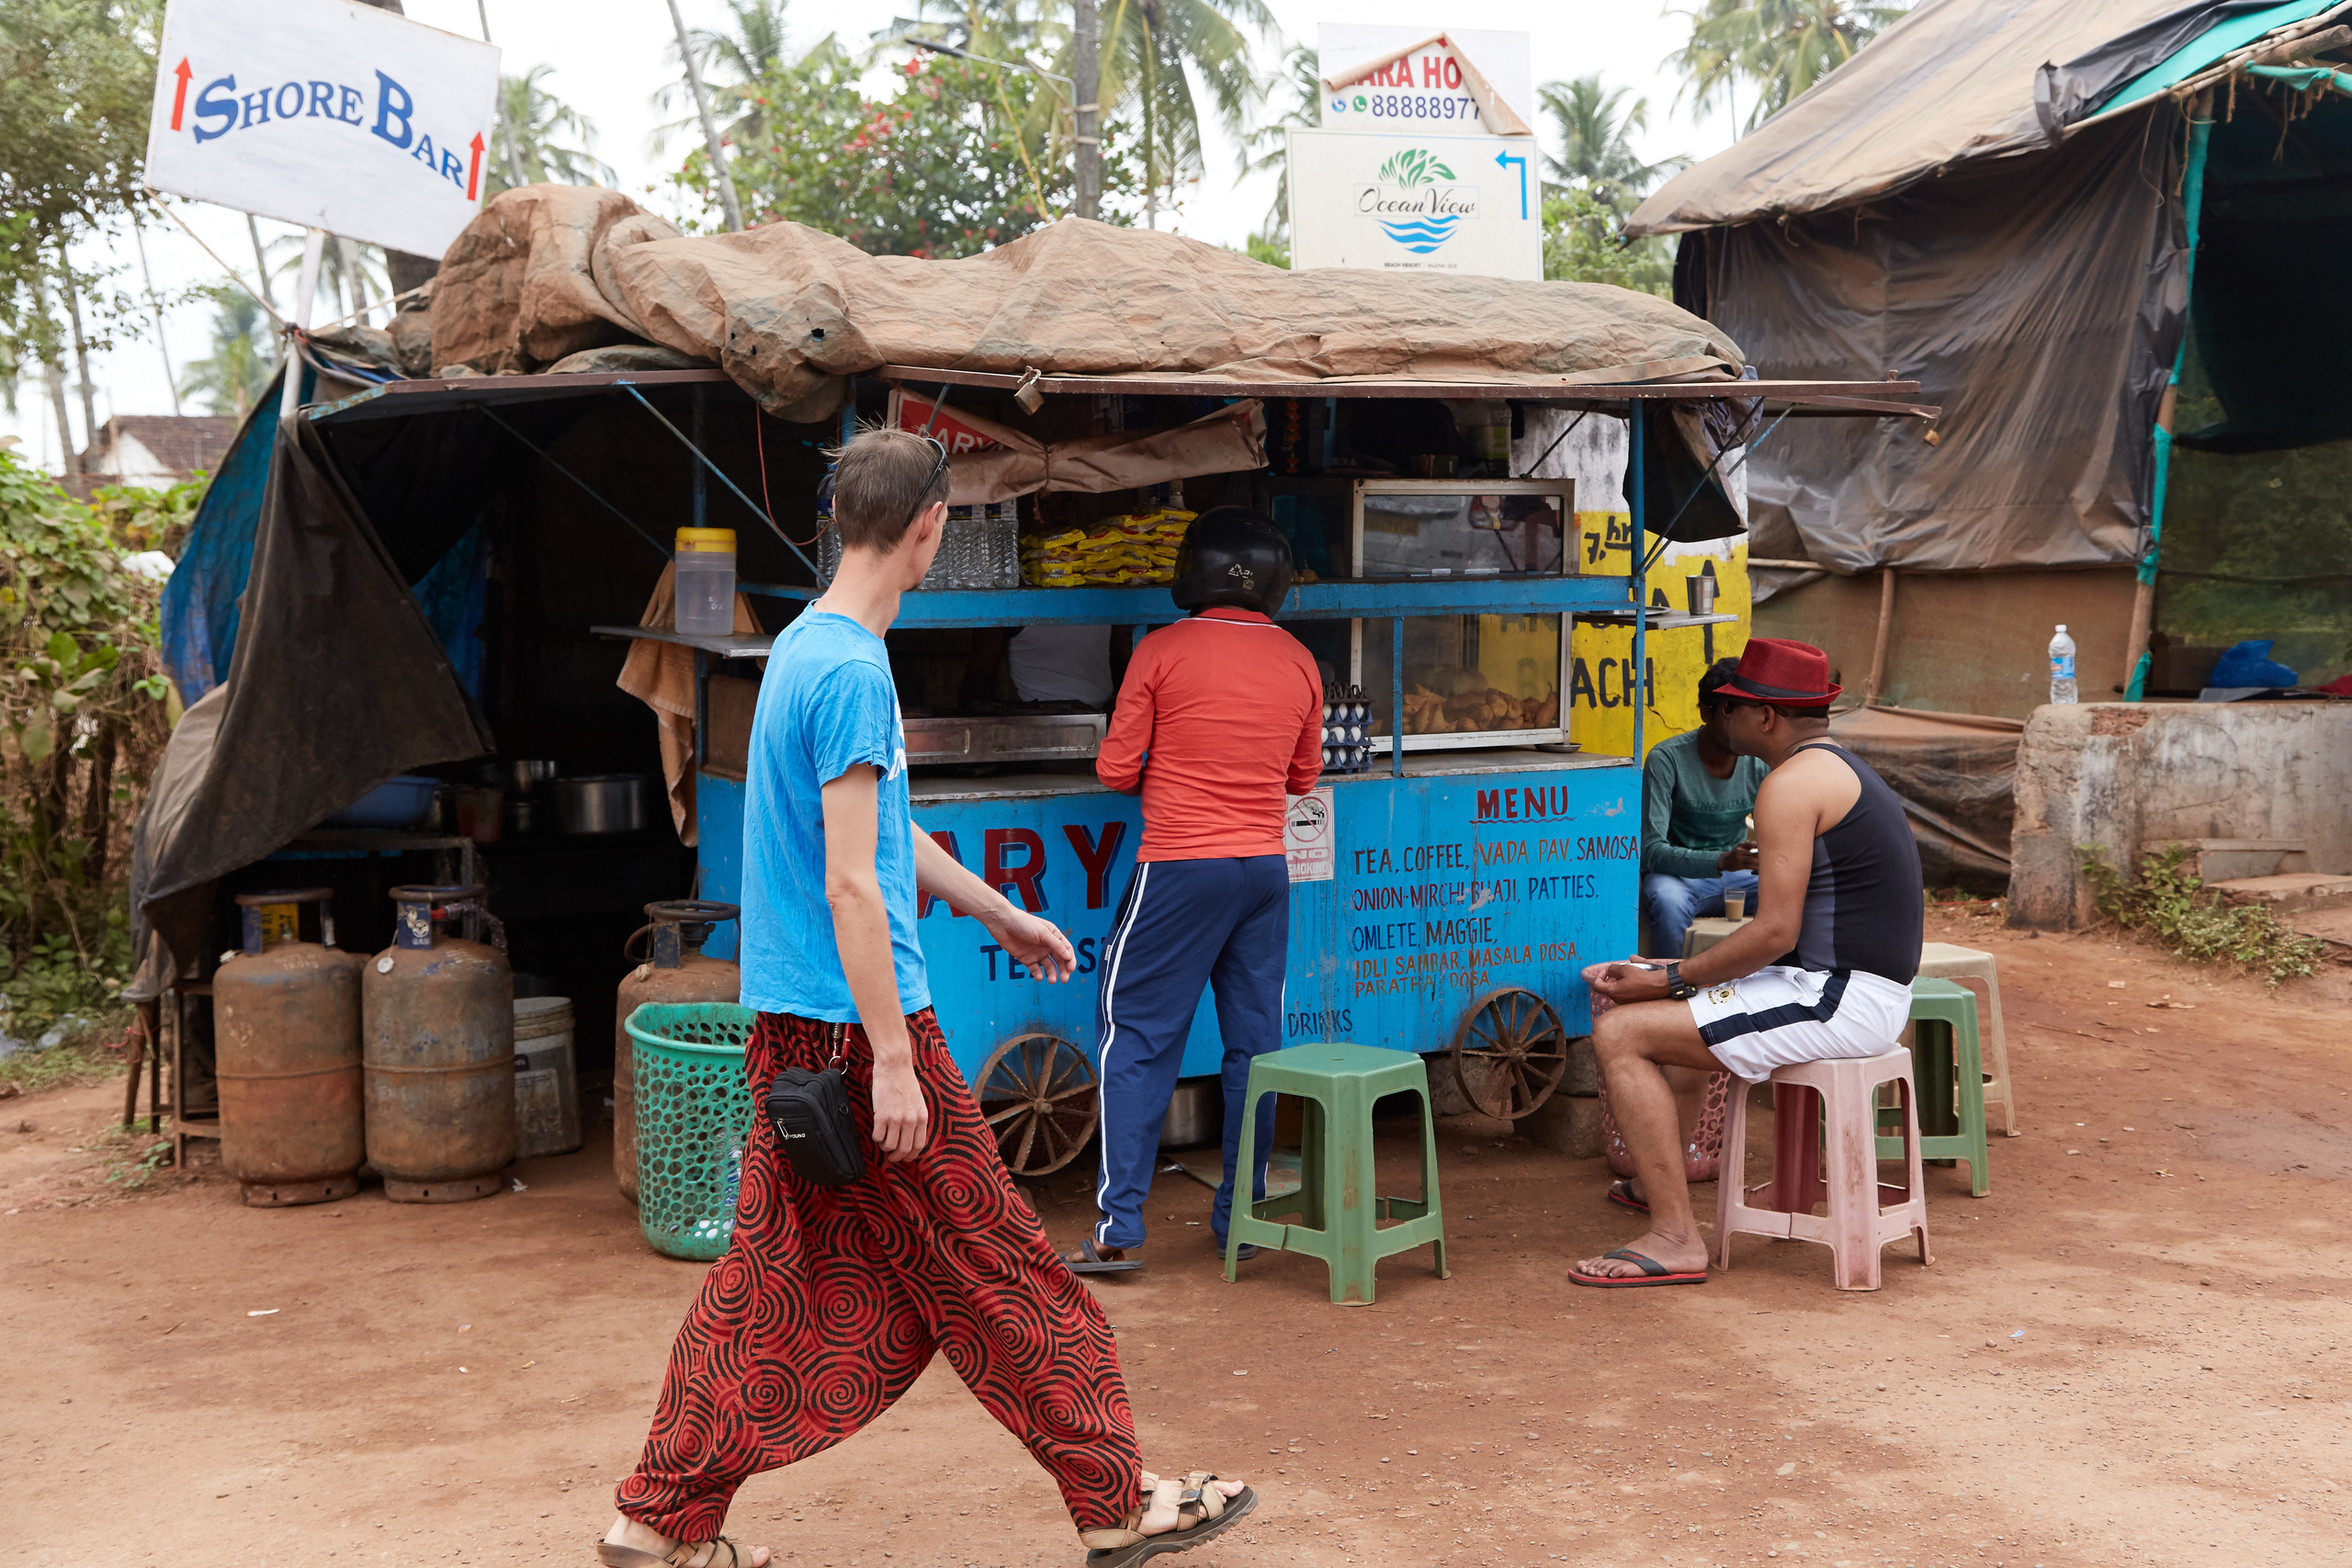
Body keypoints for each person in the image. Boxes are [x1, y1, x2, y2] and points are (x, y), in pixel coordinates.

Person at [600, 428, 1253, 1568]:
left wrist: (993, 907)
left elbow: (879, 838)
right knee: (1004, 1268)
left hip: (798, 1031)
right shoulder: (853, 671)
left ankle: (656, 1519)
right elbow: (852, 881)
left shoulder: (806, 647)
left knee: (766, 1287)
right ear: (929, 529)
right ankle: (1115, 1501)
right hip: (860, 1040)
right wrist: (895, 1058)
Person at [1571, 637, 1923, 1288]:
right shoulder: (1837, 768)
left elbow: (1773, 930)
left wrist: (1671, 976)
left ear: (1765, 717)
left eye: (1731, 705)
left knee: (1622, 1032)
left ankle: (1676, 1237)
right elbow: (1788, 934)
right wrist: (1667, 978)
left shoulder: (1788, 786)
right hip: (1848, 986)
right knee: (1666, 1022)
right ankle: (1660, 1189)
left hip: (1839, 996)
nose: (1721, 716)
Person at [1069, 507, 1324, 1274]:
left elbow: (1115, 770)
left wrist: (1179, 769)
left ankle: (1118, 1228)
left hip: (1180, 866)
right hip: (1263, 873)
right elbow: (1302, 778)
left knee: (1138, 1035)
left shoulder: (1161, 649)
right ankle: (1239, 1218)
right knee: (1256, 1047)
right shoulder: (1302, 661)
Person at [1641, 658, 1767, 959]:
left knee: (1803, 896)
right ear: (1707, 711)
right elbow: (1651, 851)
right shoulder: (1666, 760)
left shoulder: (1759, 763)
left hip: (1740, 878)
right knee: (1668, 905)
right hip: (1675, 877)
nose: (1749, 726)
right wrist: (1723, 860)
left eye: (1754, 713)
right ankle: (1662, 989)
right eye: (1733, 713)